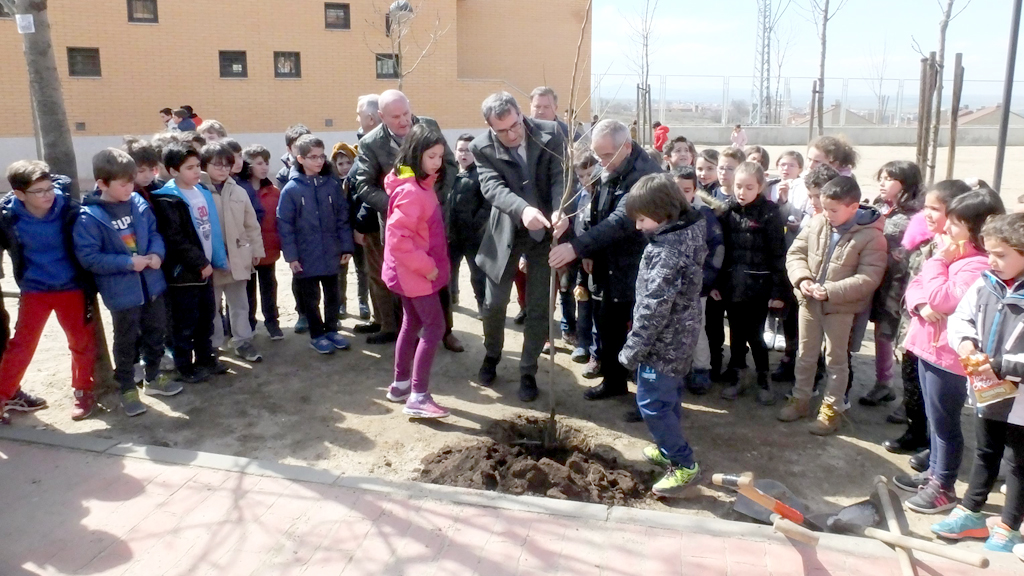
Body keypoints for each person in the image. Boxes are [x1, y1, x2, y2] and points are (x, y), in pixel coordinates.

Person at [897, 189, 1006, 514]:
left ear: (977, 227)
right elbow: (918, 284)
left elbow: (945, 299)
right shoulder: (953, 254)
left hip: (950, 357)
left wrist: (939, 263)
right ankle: (933, 474)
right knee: (934, 419)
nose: (946, 229)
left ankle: (943, 486)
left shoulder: (977, 264)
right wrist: (922, 301)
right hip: (928, 347)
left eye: (955, 224)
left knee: (945, 424)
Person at [549, 119, 662, 403]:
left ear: (626, 146)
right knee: (607, 324)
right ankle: (613, 381)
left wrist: (576, 248)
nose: (601, 162)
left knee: (641, 331)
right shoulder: (610, 167)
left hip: (639, 264)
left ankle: (648, 398)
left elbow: (619, 221)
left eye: (607, 155)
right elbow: (593, 211)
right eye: (598, 156)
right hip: (607, 262)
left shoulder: (644, 175)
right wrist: (589, 252)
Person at [931, 213, 1024, 552]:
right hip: (988, 388)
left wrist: (999, 364)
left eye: (1001, 255)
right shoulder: (986, 282)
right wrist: (967, 344)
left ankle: (1010, 525)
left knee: (1017, 460)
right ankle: (970, 511)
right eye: (989, 253)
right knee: (985, 450)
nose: (992, 261)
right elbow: (961, 317)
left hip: (1019, 396)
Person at [472, 91, 566, 402]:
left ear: (520, 115)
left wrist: (559, 209)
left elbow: (559, 177)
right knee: (494, 303)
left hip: (545, 233)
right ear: (489, 126)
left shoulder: (550, 133)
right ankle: (492, 355)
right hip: (507, 230)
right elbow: (492, 187)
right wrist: (523, 210)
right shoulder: (481, 147)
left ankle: (528, 370)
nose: (512, 134)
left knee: (538, 307)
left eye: (516, 125)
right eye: (503, 130)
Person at [74, 149, 182, 416]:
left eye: (131, 182)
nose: (129, 188)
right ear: (101, 184)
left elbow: (155, 233)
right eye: (122, 184)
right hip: (122, 293)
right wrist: (126, 264)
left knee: (156, 332)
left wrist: (158, 254)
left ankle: (154, 377)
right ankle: (127, 388)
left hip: (152, 285)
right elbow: (89, 257)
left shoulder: (138, 203)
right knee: (126, 341)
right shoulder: (89, 217)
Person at [619, 174, 707, 496]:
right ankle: (668, 446)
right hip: (681, 335)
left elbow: (653, 309)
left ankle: (683, 464)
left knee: (652, 402)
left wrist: (632, 349)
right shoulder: (685, 233)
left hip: (663, 342)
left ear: (664, 212)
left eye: (643, 219)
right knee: (668, 396)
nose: (639, 226)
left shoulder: (667, 252)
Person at [777, 175, 886, 433]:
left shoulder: (872, 237)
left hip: (841, 307)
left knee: (835, 359)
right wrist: (802, 279)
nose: (826, 214)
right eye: (824, 208)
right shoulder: (817, 222)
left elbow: (869, 277)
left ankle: (831, 409)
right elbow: (796, 253)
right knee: (805, 354)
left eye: (833, 210)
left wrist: (830, 291)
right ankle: (801, 398)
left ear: (853, 206)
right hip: (809, 302)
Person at [354, 90, 460, 349]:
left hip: (433, 221)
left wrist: (432, 199)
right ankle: (408, 334)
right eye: (395, 117)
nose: (404, 121)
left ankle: (446, 332)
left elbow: (451, 165)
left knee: (438, 276)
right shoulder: (371, 143)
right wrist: (402, 205)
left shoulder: (428, 126)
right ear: (381, 117)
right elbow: (364, 185)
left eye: (406, 114)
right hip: (399, 225)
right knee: (403, 282)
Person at [0, 161, 97, 425]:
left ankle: (83, 391)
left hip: (71, 287)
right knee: (22, 345)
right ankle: (2, 396)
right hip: (35, 290)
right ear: (20, 194)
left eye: (49, 188)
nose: (47, 195)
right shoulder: (7, 216)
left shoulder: (69, 209)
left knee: (81, 341)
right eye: (39, 191)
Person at [382, 124, 453, 418]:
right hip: (418, 274)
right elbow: (398, 240)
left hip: (410, 273)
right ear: (416, 154)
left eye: (439, 156)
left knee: (411, 322)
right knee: (435, 327)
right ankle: (419, 395)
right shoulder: (413, 192)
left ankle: (400, 385)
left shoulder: (419, 185)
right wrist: (429, 268)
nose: (437, 162)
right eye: (431, 156)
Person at [149, 144, 229, 383]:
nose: (197, 172)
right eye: (190, 168)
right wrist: (198, 262)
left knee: (207, 316)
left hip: (205, 268)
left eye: (197, 166)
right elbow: (176, 239)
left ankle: (206, 357)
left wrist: (214, 259)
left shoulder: (202, 191)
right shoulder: (167, 199)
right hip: (183, 273)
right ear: (174, 171)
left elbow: (210, 229)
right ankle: (185, 366)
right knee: (185, 322)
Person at [713, 162, 787, 405]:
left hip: (759, 286)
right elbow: (719, 251)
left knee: (755, 335)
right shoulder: (726, 211)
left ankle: (763, 378)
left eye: (749, 187)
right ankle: (738, 375)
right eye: (738, 186)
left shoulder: (769, 213)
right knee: (735, 332)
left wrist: (778, 290)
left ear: (760, 187)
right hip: (732, 285)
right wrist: (715, 282)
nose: (742, 192)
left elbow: (778, 254)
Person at [277, 135, 354, 355]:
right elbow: (285, 225)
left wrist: (346, 246)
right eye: (313, 157)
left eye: (321, 156)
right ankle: (317, 334)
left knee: (333, 294)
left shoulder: (331, 185)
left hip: (331, 251)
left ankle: (331, 330)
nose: (319, 161)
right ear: (300, 158)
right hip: (305, 255)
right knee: (310, 299)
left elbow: (342, 217)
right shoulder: (291, 190)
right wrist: (291, 256)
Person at [860, 161, 925, 407]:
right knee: (882, 333)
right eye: (882, 177)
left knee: (907, 339)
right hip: (880, 281)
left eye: (889, 179)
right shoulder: (878, 206)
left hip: (906, 285)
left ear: (906, 184)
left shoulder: (918, 215)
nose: (882, 183)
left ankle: (912, 401)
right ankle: (884, 383)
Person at [199, 142, 265, 363]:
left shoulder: (238, 190)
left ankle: (242, 340)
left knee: (239, 303)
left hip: (238, 257)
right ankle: (215, 345)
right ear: (204, 165)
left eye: (227, 165)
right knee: (212, 307)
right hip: (212, 260)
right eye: (217, 165)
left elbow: (251, 223)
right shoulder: (198, 191)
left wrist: (256, 250)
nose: (223, 169)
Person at [671, 166, 723, 395]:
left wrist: (706, 280)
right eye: (677, 189)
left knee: (697, 328)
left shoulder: (705, 215)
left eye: (687, 189)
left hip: (697, 286)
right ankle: (677, 371)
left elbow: (717, 249)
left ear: (695, 190)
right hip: (671, 284)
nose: (682, 194)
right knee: (673, 328)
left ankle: (702, 369)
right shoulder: (663, 213)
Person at [706, 147, 749, 383]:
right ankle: (714, 363)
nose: (723, 172)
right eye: (721, 167)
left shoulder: (742, 198)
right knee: (713, 325)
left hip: (736, 273)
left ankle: (737, 366)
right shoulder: (708, 195)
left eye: (729, 168)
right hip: (713, 273)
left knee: (737, 325)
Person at [242, 145, 284, 340]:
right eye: (259, 163)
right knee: (247, 290)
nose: (264, 167)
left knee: (269, 287)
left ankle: (272, 323)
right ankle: (248, 323)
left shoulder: (274, 191)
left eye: (266, 162)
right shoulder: (239, 190)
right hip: (246, 251)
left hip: (269, 248)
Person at [448, 134, 489, 314]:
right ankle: (451, 297)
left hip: (473, 235)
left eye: (468, 150)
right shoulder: (449, 174)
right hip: (451, 233)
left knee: (477, 275)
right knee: (449, 270)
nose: (464, 154)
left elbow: (487, 205)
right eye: (460, 150)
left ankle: (482, 304)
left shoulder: (481, 174)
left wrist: (476, 223)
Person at [331, 142, 369, 320]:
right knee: (341, 271)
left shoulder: (358, 181)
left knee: (363, 269)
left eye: (348, 162)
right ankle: (341, 303)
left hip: (358, 231)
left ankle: (363, 302)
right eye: (340, 164)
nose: (345, 167)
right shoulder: (331, 184)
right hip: (340, 235)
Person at [122, 136, 165, 202]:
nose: (148, 176)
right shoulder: (121, 193)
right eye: (141, 171)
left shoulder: (160, 189)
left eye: (151, 170)